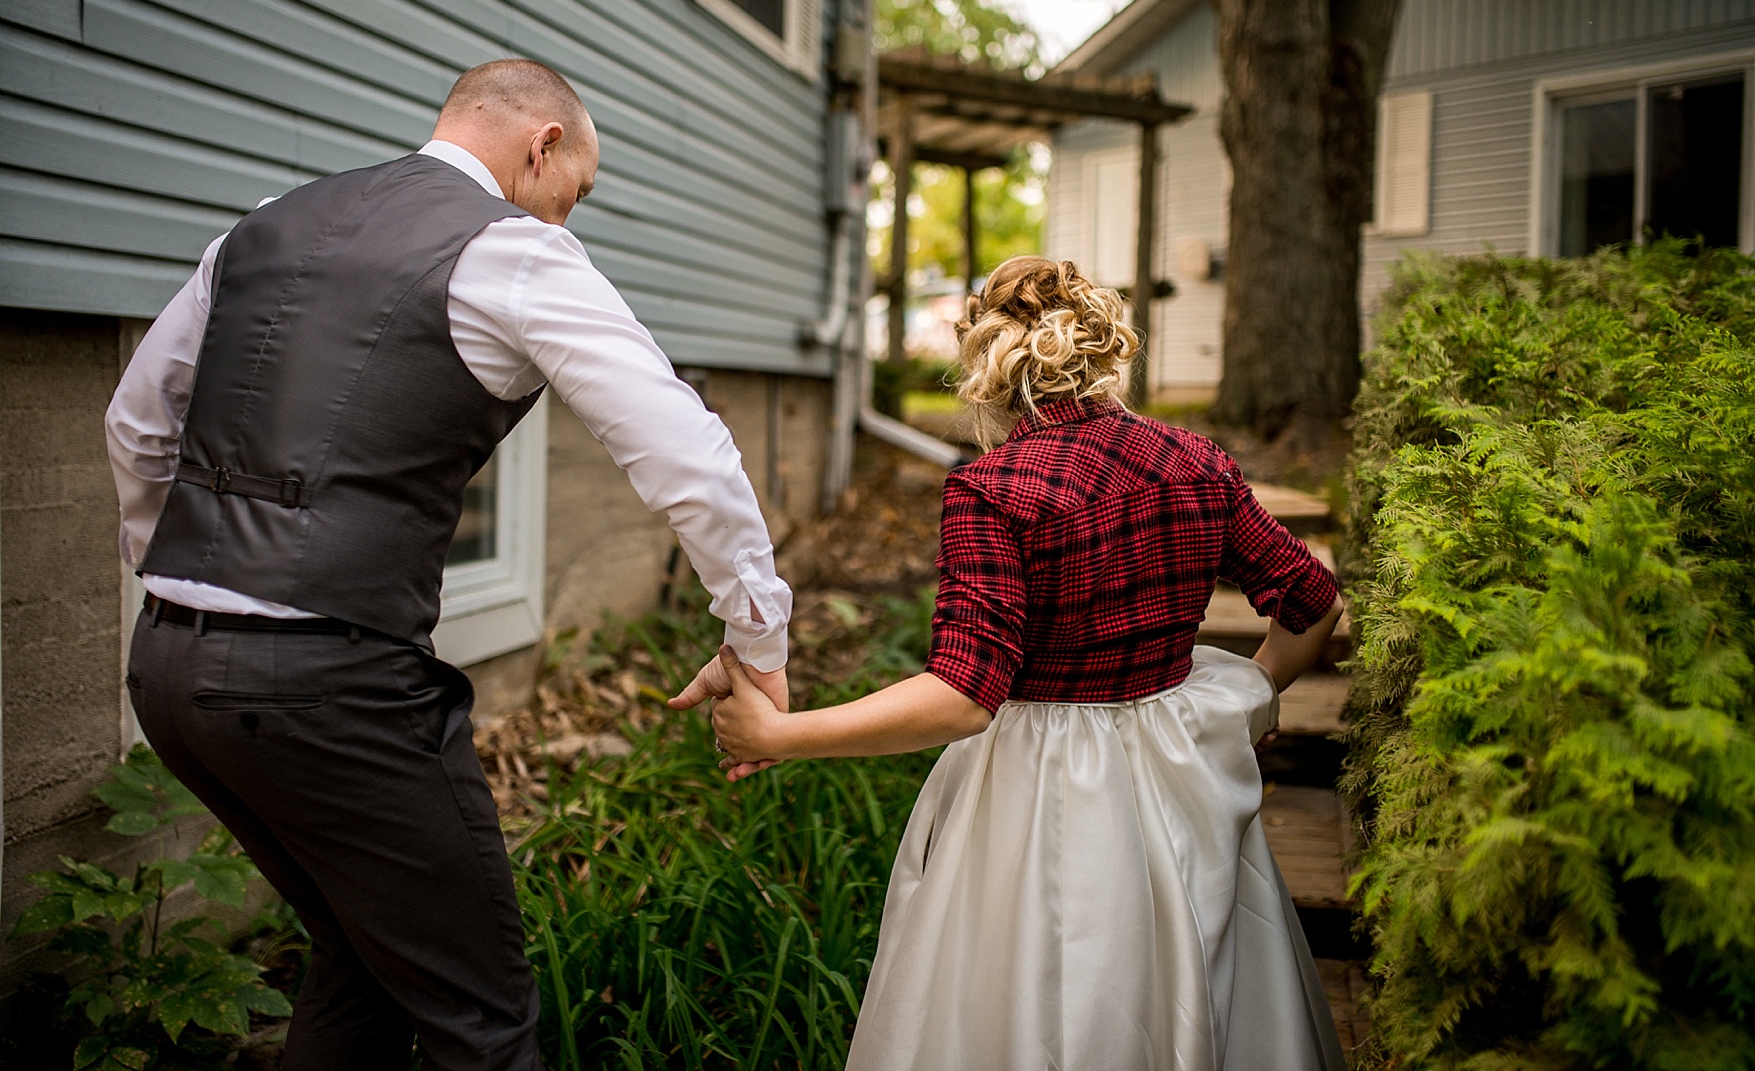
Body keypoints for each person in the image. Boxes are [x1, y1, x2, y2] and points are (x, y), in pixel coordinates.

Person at [107, 58, 791, 1070]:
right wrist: (758, 637)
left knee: (361, 950)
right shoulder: (516, 253)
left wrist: (195, 594)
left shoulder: (262, 224)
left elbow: (137, 423)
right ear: (541, 146)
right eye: (578, 192)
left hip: (166, 671)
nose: (569, 218)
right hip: (327, 685)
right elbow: (688, 453)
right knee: (482, 1015)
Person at [698, 256, 1348, 1070]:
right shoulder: (1196, 461)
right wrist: (1245, 699)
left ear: (989, 370)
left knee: (1035, 988)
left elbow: (966, 694)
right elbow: (1314, 600)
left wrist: (782, 733)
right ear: (1105, 353)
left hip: (1040, 783)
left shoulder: (995, 487)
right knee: (1194, 972)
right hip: (1182, 768)